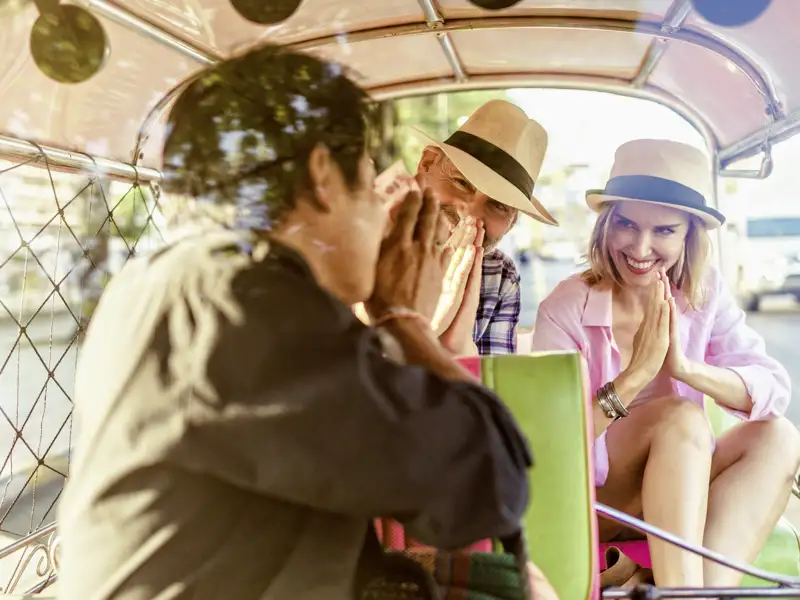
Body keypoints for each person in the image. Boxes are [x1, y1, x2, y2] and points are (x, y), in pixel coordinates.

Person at [56, 44, 536, 600]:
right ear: (323, 175)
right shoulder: (237, 303)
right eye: (367, 181)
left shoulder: (177, 281)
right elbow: (487, 485)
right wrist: (405, 319)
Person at [531, 139, 800, 588]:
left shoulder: (704, 292)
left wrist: (684, 369)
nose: (640, 247)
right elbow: (550, 445)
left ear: (689, 234)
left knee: (778, 436)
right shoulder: (565, 306)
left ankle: (692, 594)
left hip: (678, 489)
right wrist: (635, 378)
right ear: (606, 224)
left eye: (664, 231)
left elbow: (773, 388)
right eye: (627, 224)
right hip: (592, 501)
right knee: (681, 418)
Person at [412, 99, 558, 356]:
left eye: (498, 205)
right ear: (426, 165)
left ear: (512, 222)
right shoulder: (364, 237)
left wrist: (458, 347)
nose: (469, 212)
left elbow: (494, 392)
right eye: (460, 182)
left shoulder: (499, 276)